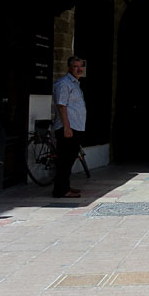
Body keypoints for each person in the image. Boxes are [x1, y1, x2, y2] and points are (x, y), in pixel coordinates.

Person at [52, 56, 87, 198]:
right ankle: (60, 190)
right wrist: (67, 127)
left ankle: (65, 186)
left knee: (70, 158)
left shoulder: (75, 84)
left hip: (76, 127)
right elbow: (62, 106)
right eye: (75, 66)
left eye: (81, 66)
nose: (79, 69)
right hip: (68, 128)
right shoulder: (64, 83)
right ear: (69, 68)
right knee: (64, 160)